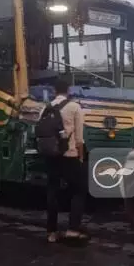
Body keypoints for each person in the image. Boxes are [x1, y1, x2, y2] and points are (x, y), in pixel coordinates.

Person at [44, 79, 88, 243]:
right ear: (68, 89)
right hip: (70, 155)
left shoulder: (47, 107)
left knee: (52, 191)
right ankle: (73, 229)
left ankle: (51, 232)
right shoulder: (74, 107)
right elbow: (79, 139)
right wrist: (81, 157)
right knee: (78, 190)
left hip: (51, 155)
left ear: (54, 90)